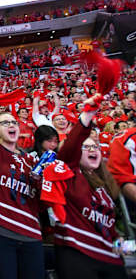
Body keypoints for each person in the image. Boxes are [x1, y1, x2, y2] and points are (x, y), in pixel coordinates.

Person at [53, 94, 128, 278]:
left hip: (111, 257)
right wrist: (87, 116)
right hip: (79, 252)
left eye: (95, 146)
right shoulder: (69, 174)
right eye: (86, 147)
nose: (93, 149)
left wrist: (126, 247)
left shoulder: (106, 186)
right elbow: (69, 149)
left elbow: (112, 230)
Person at [0, 72, 43, 279]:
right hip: (1, 231)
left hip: (32, 233)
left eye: (13, 122)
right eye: (5, 123)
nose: (12, 125)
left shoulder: (32, 161)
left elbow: (41, 197)